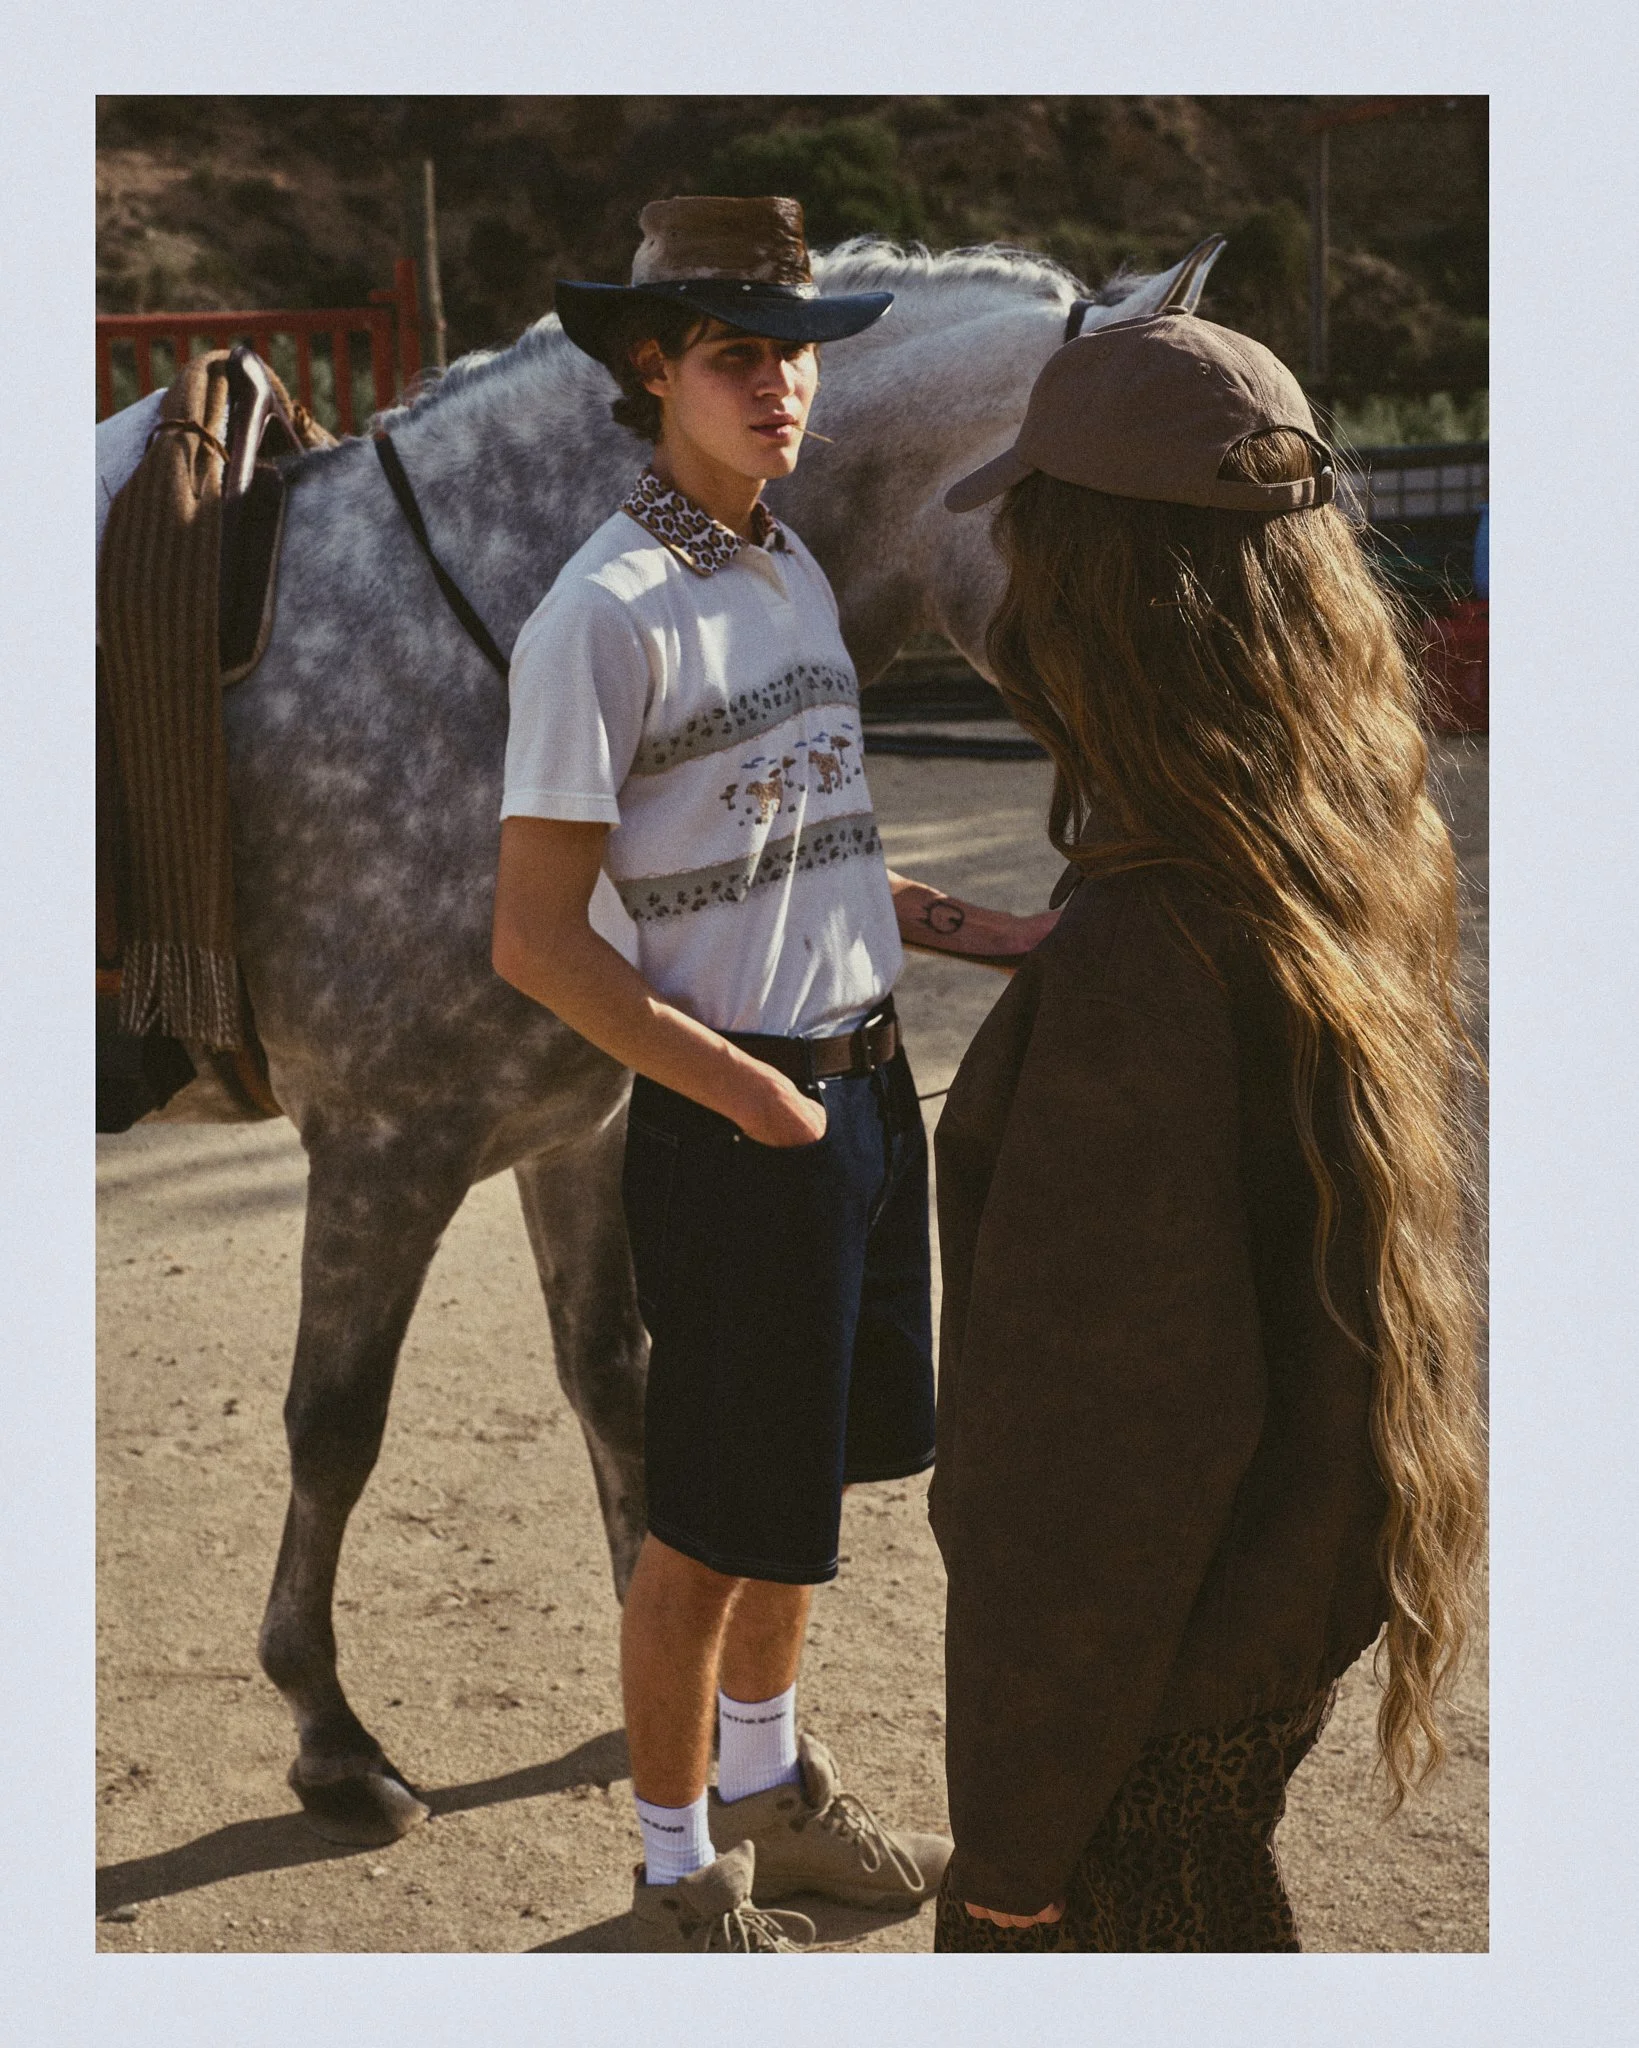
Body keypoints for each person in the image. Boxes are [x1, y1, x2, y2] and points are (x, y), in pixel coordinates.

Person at [491, 195, 1055, 1952]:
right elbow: (540, 940)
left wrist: (985, 933)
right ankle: (671, 1870)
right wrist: (737, 1093)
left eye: (797, 354)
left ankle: (771, 1792)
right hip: (744, 1120)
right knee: (712, 1522)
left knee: (800, 1503)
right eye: (738, 356)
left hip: (863, 1096)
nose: (781, 387)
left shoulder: (793, 565)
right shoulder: (604, 610)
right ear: (651, 370)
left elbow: (801, 853)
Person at [928, 312, 1486, 1952]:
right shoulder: (1330, 863)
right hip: (1261, 1650)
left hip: (1128, 1746)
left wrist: (1013, 1864)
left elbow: (1094, 1476)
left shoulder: (1146, 963)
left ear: (1086, 597)